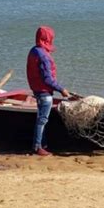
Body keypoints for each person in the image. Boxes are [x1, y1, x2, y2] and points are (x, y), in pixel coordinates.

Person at [26, 26, 70, 156]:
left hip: (37, 90)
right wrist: (61, 89)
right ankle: (37, 147)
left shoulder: (34, 51)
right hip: (44, 93)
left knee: (41, 119)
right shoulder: (44, 56)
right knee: (42, 120)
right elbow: (47, 79)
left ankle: (42, 144)